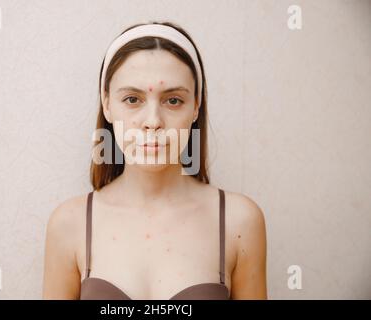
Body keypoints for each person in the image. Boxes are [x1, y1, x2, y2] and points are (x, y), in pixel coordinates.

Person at [42, 21, 267, 300]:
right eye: (133, 99)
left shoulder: (239, 221)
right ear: (107, 104)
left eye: (173, 100)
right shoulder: (69, 224)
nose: (153, 122)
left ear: (196, 105)